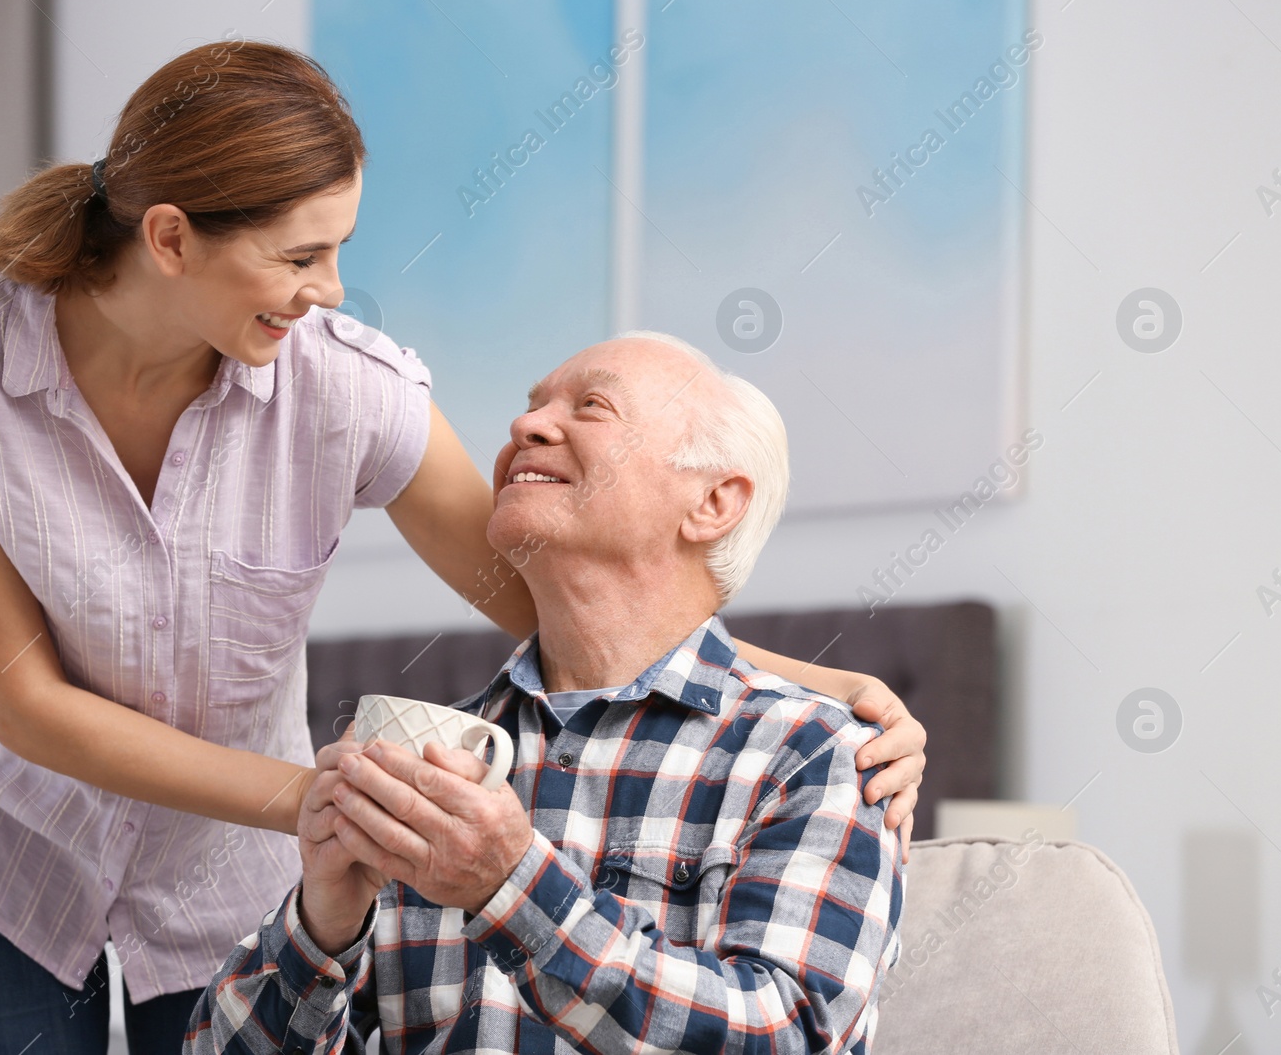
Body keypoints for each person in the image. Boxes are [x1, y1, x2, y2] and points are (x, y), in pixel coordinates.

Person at [0, 39, 923, 1054]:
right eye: (300, 255)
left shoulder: (342, 388)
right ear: (169, 238)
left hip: (224, 875)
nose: (327, 290)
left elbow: (541, 593)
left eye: (340, 251)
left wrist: (814, 690)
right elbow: (23, 700)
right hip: (4, 849)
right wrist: (323, 800)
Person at [189, 332, 905, 1054]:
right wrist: (322, 926)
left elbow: (787, 1035)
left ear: (714, 502)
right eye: (531, 407)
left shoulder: (818, 754)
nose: (524, 427)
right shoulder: (430, 757)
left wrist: (511, 886)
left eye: (591, 406)